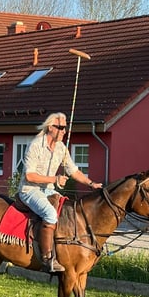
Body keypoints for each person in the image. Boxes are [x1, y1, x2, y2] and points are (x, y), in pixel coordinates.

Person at [18, 112, 103, 273]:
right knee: (50, 214)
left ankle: (63, 250)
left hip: (48, 189)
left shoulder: (61, 148)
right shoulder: (35, 145)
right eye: (61, 127)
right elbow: (29, 175)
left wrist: (91, 183)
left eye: (66, 128)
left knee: (68, 210)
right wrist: (55, 179)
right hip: (29, 190)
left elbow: (74, 171)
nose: (65, 131)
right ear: (51, 127)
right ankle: (47, 257)